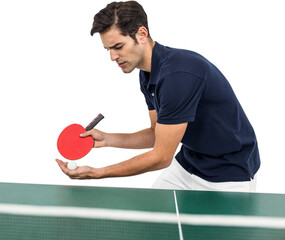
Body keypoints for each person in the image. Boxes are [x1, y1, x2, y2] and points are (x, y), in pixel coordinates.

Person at [56, 1, 260, 192]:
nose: (112, 57)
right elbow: (156, 133)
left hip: (229, 172)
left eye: (118, 47)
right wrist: (108, 139)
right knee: (152, 225)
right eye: (108, 49)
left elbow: (161, 157)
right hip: (190, 162)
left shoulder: (178, 76)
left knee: (216, 232)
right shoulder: (147, 74)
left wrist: (98, 173)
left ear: (141, 34)